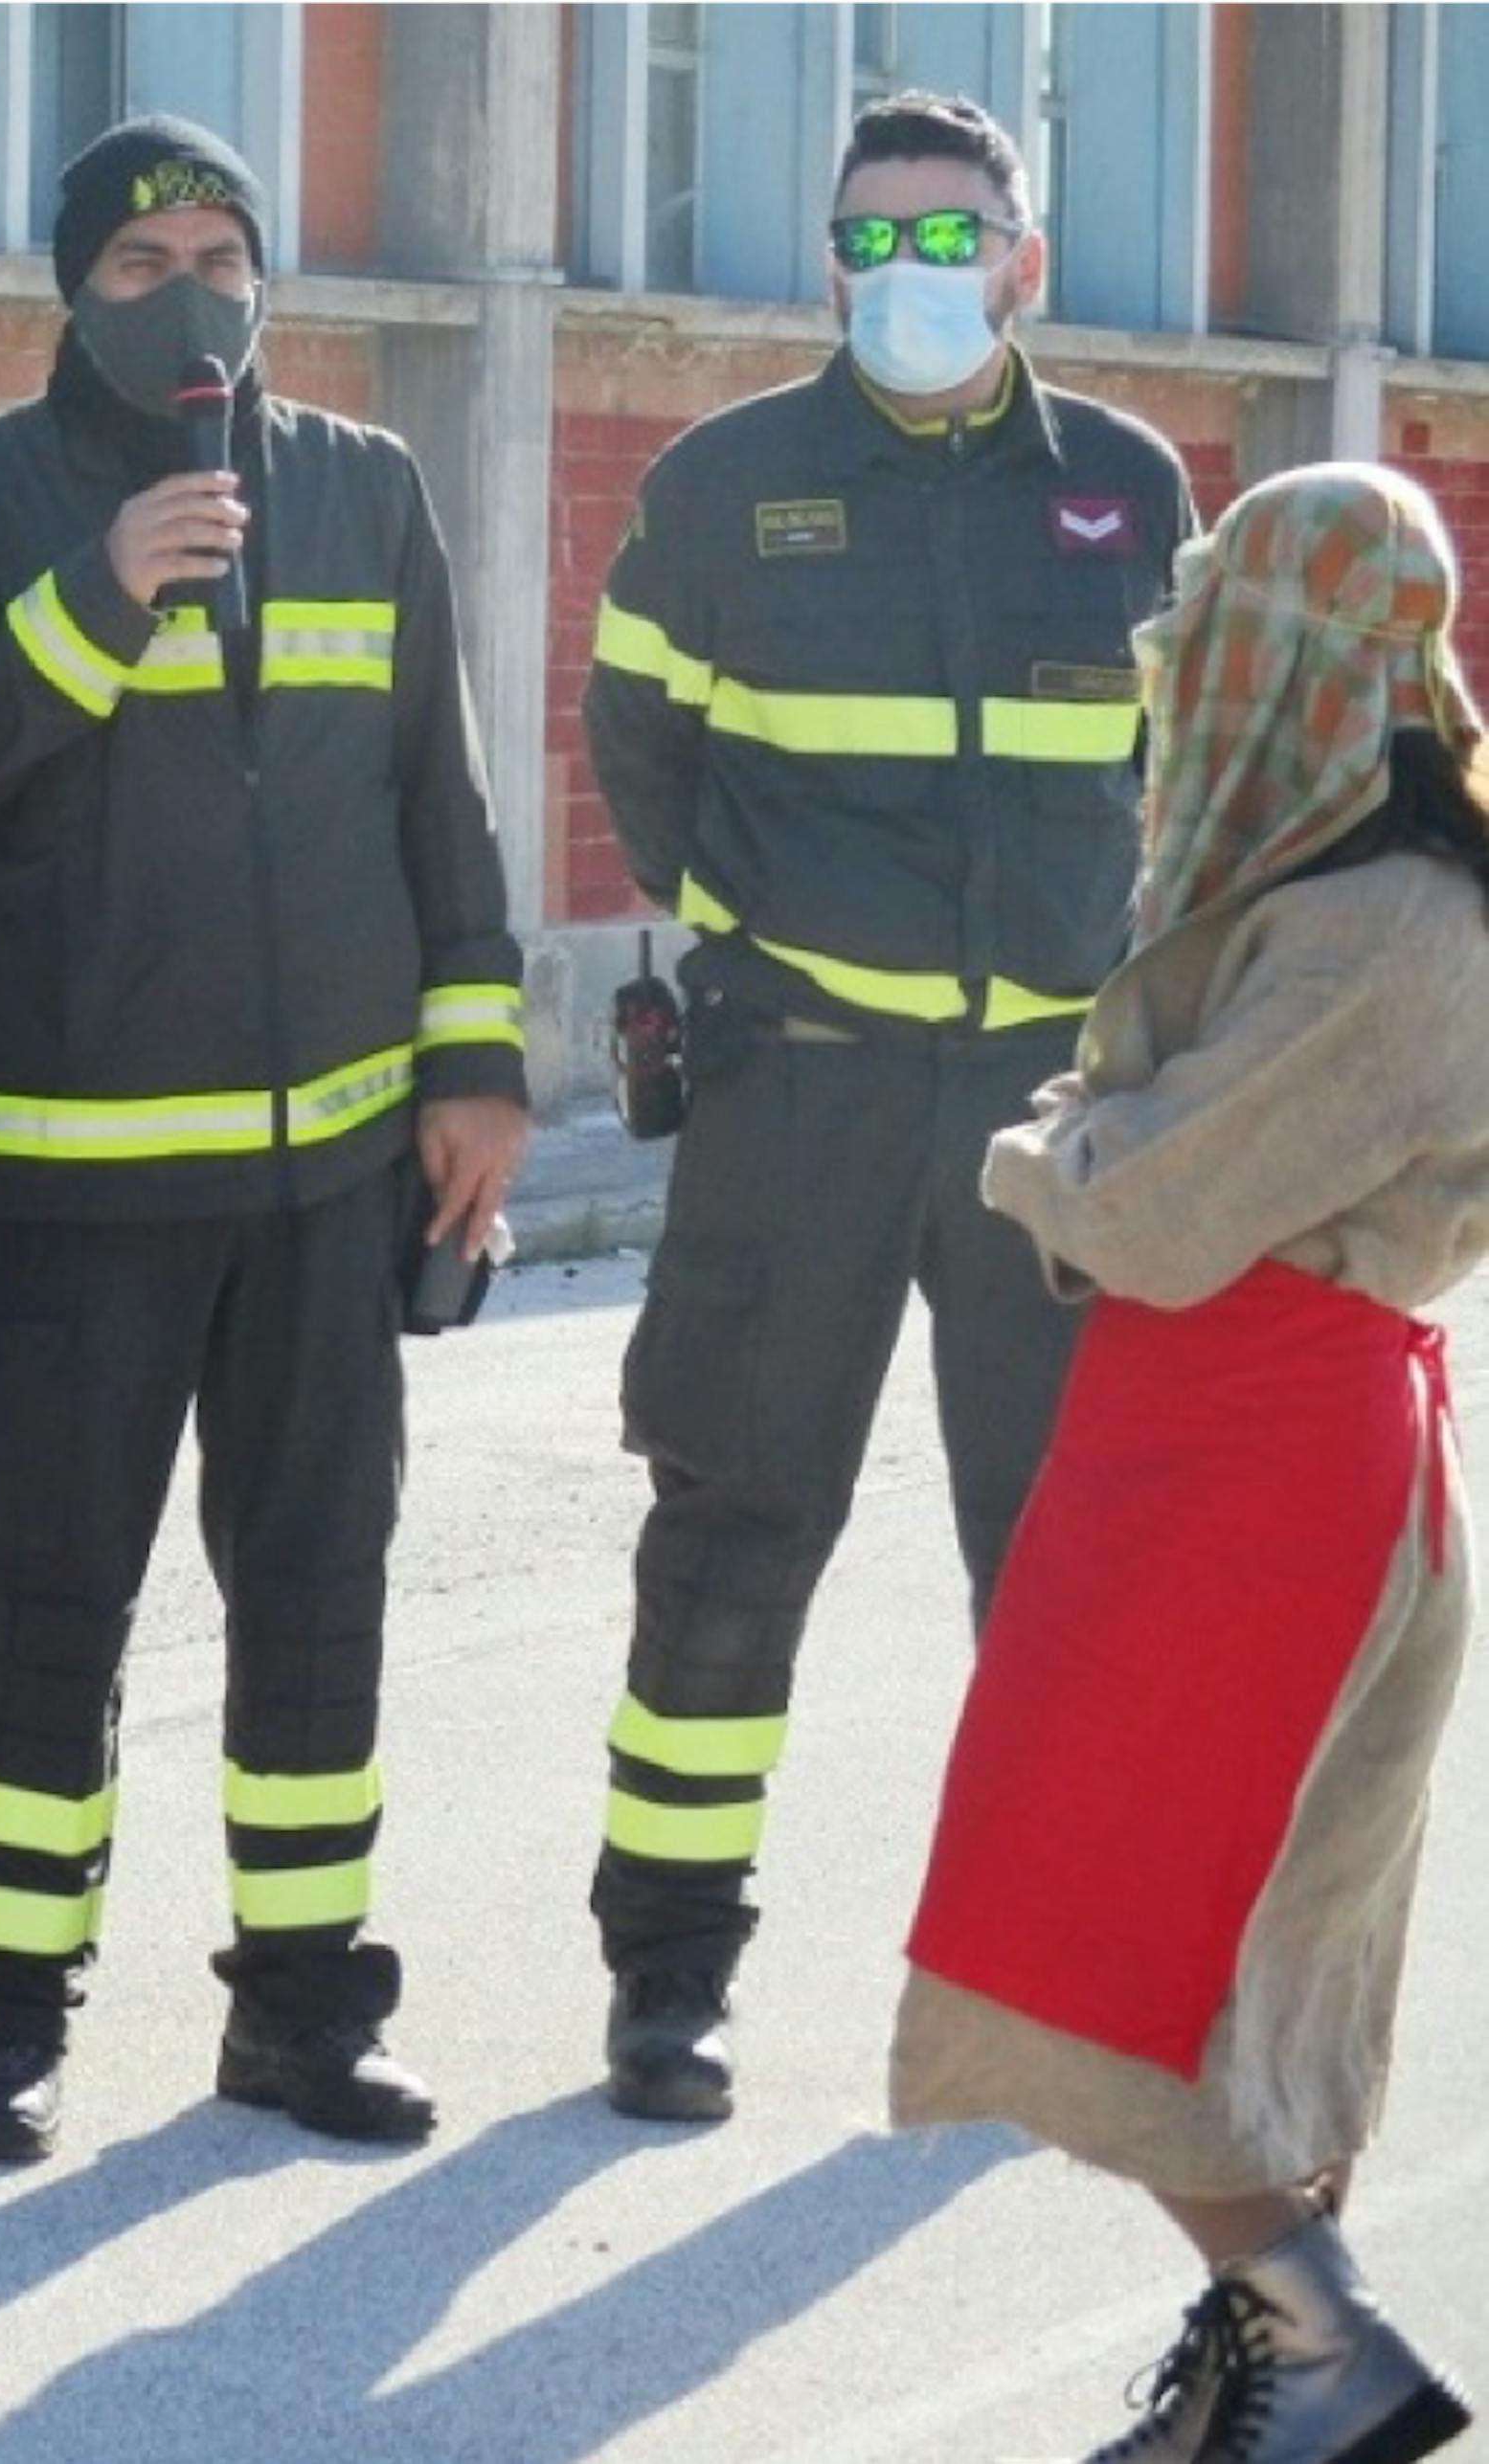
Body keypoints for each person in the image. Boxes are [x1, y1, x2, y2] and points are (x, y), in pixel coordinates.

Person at [0, 114, 530, 2165]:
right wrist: (95, 599)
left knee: (319, 1590)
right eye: (142, 266)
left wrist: (475, 1071)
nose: (193, 296)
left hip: (331, 1177)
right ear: (73, 291)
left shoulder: (366, 486)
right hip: (79, 1181)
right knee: (48, 1596)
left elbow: (446, 804)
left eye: (223, 253)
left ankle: (305, 2013)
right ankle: (3, 2025)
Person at [575, 90, 1197, 2122]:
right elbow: (641, 746)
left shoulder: (1124, 484)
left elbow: (1178, 784)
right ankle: (669, 1976)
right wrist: (766, 934)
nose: (908, 274)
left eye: (952, 239)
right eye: (873, 240)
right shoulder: (726, 483)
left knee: (1061, 1560)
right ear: (826, 262)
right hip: (803, 1097)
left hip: (1047, 1115)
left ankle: (1048, 1978)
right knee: (734, 1539)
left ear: (1028, 261)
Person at [891, 461, 1484, 2464]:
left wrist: (1039, 1153)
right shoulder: (1334, 893)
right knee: (1245, 1946)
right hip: (1231, 1446)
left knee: (1120, 1930)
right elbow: (1154, 1163)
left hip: (1267, 1477)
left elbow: (1142, 1201)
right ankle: (1269, 2367)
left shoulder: (1396, 927)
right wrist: (1101, 1151)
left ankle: (1329, 2357)